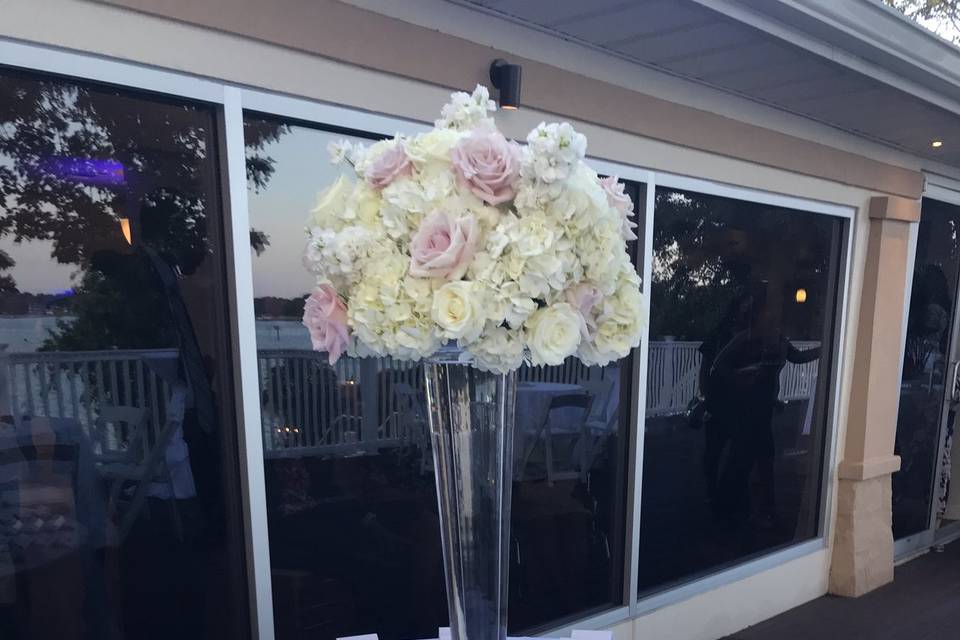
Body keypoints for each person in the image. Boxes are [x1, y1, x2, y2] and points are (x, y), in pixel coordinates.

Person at [712, 281, 820, 527]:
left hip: (764, 409)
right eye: (768, 316)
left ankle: (757, 509)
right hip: (745, 408)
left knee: (761, 459)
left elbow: (798, 357)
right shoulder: (746, 339)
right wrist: (741, 378)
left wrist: (826, 349)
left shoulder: (780, 342)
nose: (773, 320)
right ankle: (731, 508)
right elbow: (719, 366)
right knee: (745, 458)